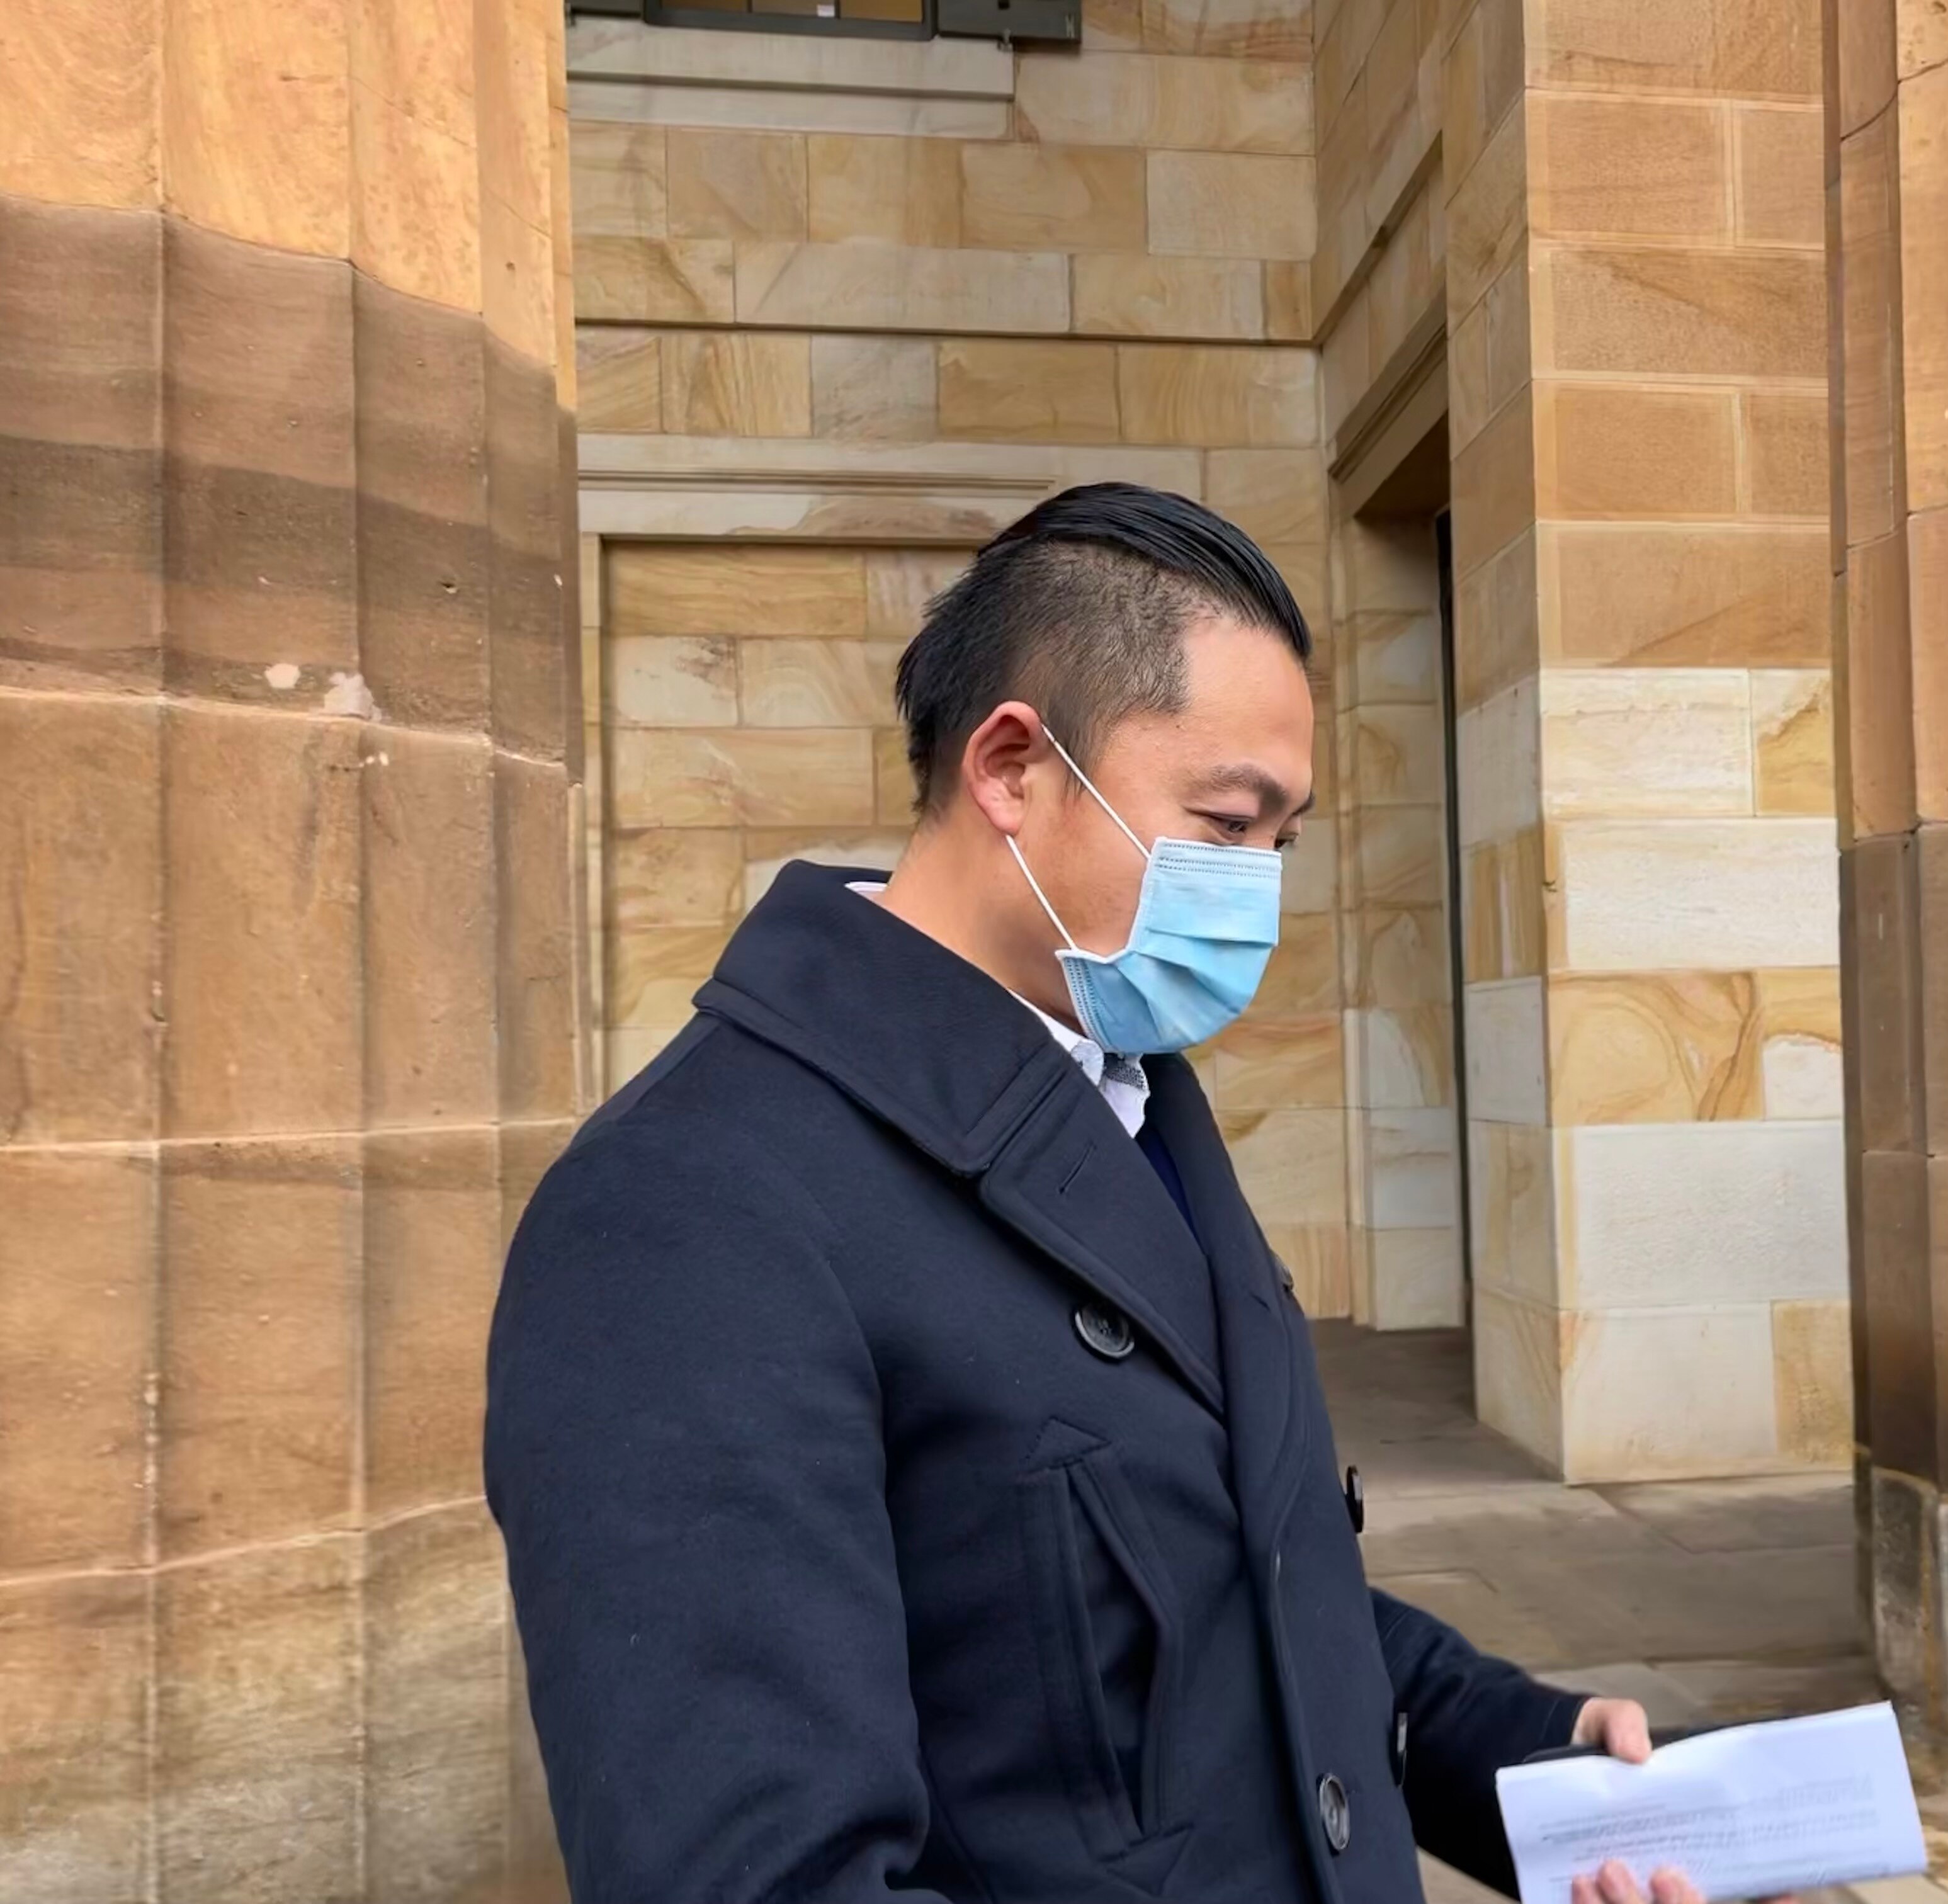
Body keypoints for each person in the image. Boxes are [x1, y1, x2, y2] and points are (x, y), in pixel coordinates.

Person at [485, 484, 1717, 1904]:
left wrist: (1520, 1753)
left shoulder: (1128, 1090)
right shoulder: (685, 1214)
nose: (1258, 889)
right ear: (1012, 766)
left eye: (1283, 839)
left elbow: (1220, 1572)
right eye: (1224, 823)